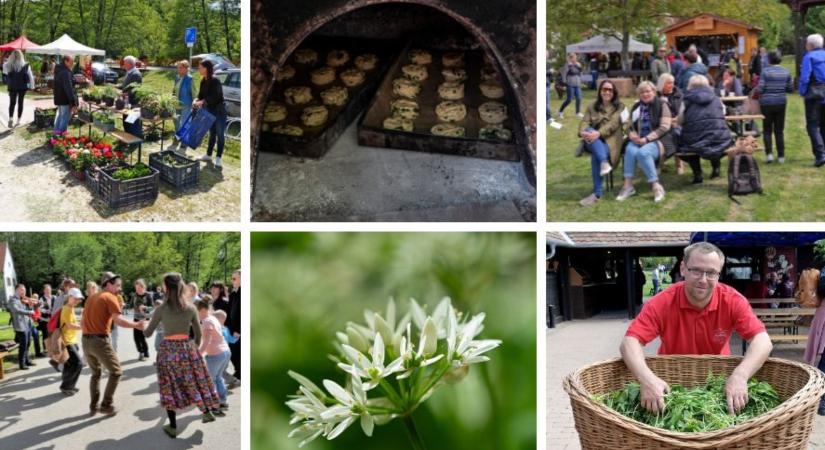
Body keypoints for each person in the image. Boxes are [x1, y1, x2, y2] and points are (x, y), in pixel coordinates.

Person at [620, 242, 772, 414]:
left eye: (711, 273)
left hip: (718, 383)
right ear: (683, 268)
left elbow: (763, 341)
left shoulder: (732, 300)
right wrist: (647, 380)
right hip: (672, 384)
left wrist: (740, 375)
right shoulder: (661, 302)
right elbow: (630, 342)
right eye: (696, 271)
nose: (703, 280)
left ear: (719, 274)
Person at [143, 273, 222, 438]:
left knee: (169, 387)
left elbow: (148, 333)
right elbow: (198, 335)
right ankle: (206, 411)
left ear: (166, 287)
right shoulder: (191, 308)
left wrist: (141, 326)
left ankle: (172, 427)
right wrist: (194, 349)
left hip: (167, 352)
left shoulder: (161, 309)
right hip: (187, 349)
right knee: (193, 381)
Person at [81, 272, 145, 416]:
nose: (119, 289)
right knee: (116, 372)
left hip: (86, 341)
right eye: (117, 285)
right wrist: (136, 325)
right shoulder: (110, 297)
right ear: (108, 284)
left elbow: (83, 321)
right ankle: (106, 405)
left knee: (95, 374)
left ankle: (93, 406)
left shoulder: (91, 298)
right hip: (99, 341)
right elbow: (119, 320)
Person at [616, 81, 672, 203]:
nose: (645, 94)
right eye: (642, 92)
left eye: (648, 91)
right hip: (639, 139)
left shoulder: (662, 104)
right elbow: (628, 125)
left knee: (643, 153)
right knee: (630, 150)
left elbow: (665, 126)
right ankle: (628, 186)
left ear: (654, 92)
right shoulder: (636, 107)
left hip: (658, 140)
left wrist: (647, 139)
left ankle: (656, 186)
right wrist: (631, 134)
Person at [577, 79, 626, 206]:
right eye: (604, 89)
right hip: (594, 141)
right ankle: (604, 163)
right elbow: (584, 122)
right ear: (600, 91)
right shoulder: (592, 106)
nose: (607, 92)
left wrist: (597, 133)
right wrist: (583, 132)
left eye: (610, 90)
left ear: (614, 92)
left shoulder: (620, 106)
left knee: (595, 157)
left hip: (611, 143)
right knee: (588, 130)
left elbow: (613, 124)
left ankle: (596, 194)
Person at [677, 75, 731, 184]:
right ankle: (716, 168)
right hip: (718, 138)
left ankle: (698, 174)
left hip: (694, 140)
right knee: (715, 141)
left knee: (687, 143)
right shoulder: (715, 97)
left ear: (690, 85)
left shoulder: (686, 99)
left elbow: (680, 120)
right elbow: (723, 113)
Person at [754, 50, 793, 164]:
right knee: (779, 130)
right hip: (781, 102)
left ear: (769, 60)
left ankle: (769, 155)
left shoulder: (765, 72)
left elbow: (760, 89)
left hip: (766, 103)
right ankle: (781, 156)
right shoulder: (786, 71)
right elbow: (790, 89)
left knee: (767, 130)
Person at [196, 299, 231, 409]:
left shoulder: (207, 321)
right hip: (224, 352)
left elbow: (207, 341)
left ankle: (214, 405)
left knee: (210, 380)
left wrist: (199, 354)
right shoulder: (212, 318)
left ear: (202, 310)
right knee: (218, 377)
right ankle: (222, 401)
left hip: (216, 355)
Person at [193, 59, 227, 167]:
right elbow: (201, 95)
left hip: (219, 111)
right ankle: (208, 154)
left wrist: (202, 101)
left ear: (206, 68)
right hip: (210, 111)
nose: (199, 69)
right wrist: (196, 100)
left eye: (200, 67)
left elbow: (216, 96)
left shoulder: (215, 80)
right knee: (212, 133)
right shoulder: (203, 80)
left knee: (220, 134)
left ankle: (219, 157)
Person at [800, 34, 825, 167]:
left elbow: (805, 77)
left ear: (810, 45)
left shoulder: (808, 57)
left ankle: (820, 155)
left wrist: (802, 92)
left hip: (814, 94)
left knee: (813, 125)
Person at [657, 73, 684, 175]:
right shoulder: (656, 95)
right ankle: (660, 163)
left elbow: (682, 111)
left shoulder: (679, 95)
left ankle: (679, 164)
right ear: (662, 84)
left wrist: (675, 120)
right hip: (661, 124)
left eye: (672, 82)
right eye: (668, 83)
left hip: (677, 123)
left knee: (677, 134)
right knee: (662, 136)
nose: (671, 85)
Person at [59, 288, 84, 395]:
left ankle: (69, 386)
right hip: (67, 341)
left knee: (69, 365)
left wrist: (81, 321)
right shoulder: (67, 309)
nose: (77, 301)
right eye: (75, 298)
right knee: (78, 363)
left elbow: (73, 322)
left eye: (78, 299)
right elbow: (70, 325)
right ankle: (66, 386)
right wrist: (85, 327)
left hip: (72, 340)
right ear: (69, 297)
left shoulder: (71, 308)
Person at [3, 50, 34, 128]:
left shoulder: (7, 65)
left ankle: (10, 119)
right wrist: (32, 86)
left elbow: (5, 73)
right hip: (22, 87)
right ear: (21, 55)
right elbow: (30, 77)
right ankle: (18, 120)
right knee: (20, 102)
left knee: (12, 103)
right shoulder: (26, 65)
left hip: (12, 86)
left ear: (12, 56)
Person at [9, 284, 35, 370]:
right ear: (17, 289)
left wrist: (30, 307)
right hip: (20, 326)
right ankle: (22, 364)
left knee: (27, 344)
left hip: (27, 324)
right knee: (23, 345)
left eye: (24, 290)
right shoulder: (13, 299)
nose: (24, 292)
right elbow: (16, 310)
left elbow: (25, 309)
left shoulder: (22, 299)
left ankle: (27, 360)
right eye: (22, 290)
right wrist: (29, 312)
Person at [52, 55, 78, 134]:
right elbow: (68, 88)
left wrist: (74, 81)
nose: (73, 64)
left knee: (60, 116)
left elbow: (64, 84)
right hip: (64, 99)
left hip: (59, 98)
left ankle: (55, 134)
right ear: (66, 61)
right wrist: (73, 103)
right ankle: (60, 137)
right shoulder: (65, 72)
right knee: (65, 118)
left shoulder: (60, 70)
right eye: (71, 62)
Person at [172, 60, 196, 145]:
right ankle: (177, 136)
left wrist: (194, 104)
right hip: (176, 103)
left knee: (184, 122)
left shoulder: (190, 79)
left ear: (186, 69)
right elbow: (174, 90)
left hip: (186, 104)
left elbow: (194, 92)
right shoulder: (177, 77)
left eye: (180, 68)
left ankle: (184, 141)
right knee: (176, 120)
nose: (178, 69)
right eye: (178, 67)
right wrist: (172, 98)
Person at [130, 279, 153, 361]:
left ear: (143, 287)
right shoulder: (134, 295)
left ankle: (144, 352)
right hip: (136, 318)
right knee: (136, 337)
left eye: (139, 288)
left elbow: (152, 308)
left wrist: (145, 308)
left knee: (142, 337)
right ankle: (142, 352)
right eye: (136, 288)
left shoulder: (148, 295)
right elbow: (130, 306)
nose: (137, 290)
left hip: (145, 319)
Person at [558, 53, 584, 119]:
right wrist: (564, 84)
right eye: (573, 57)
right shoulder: (567, 65)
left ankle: (578, 113)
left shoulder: (578, 64)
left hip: (577, 84)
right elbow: (564, 74)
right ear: (570, 58)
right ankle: (560, 111)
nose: (575, 59)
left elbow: (580, 73)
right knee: (569, 99)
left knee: (579, 98)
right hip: (570, 84)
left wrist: (580, 67)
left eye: (575, 57)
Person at [228, 270, 241, 382]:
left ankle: (240, 373)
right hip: (232, 328)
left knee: (237, 351)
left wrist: (239, 330)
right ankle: (239, 371)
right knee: (232, 350)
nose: (232, 281)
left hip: (238, 330)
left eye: (234, 279)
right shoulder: (233, 294)